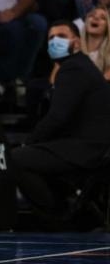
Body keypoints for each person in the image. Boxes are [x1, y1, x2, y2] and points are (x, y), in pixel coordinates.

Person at [10, 21, 110, 220]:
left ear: (77, 43)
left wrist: (30, 141)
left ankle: (56, 216)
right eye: (51, 38)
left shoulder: (73, 68)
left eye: (62, 36)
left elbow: (58, 117)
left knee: (15, 158)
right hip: (89, 145)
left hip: (86, 148)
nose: (55, 41)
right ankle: (71, 208)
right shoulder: (79, 66)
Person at [80, 6, 110, 78]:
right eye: (91, 15)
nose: (96, 18)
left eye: (103, 18)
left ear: (107, 27)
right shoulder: (73, 51)